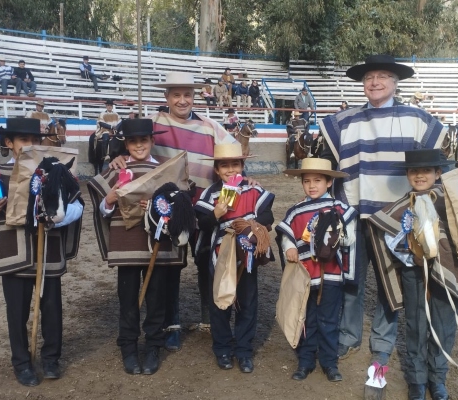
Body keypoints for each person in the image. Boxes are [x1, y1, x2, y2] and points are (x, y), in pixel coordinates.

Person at [315, 55, 445, 399]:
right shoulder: (344, 121)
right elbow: (326, 166)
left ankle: (383, 345)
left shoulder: (417, 119)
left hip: (397, 220)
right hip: (356, 215)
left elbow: (434, 163)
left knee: (392, 285)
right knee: (353, 281)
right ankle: (348, 336)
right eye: (370, 77)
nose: (375, 82)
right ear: (362, 83)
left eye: (383, 76)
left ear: (395, 82)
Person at [108, 71, 238, 352]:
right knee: (171, 268)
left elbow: (234, 156)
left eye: (187, 95)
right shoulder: (152, 124)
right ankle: (171, 326)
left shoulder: (211, 127)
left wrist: (243, 178)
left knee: (207, 261)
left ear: (195, 97)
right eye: (176, 95)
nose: (182, 100)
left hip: (204, 208)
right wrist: (117, 156)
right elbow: (126, 143)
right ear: (166, 97)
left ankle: (210, 320)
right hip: (166, 212)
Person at [367, 148, 458, 400]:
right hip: (415, 275)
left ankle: (437, 379)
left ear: (438, 172)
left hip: (447, 276)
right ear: (407, 175)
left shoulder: (452, 201)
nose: (420, 175)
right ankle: (417, 380)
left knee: (444, 326)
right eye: (414, 171)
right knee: (416, 326)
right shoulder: (402, 207)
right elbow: (393, 241)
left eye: (426, 170)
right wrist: (413, 254)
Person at [0, 117, 83, 387]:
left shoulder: (55, 170)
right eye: (23, 141)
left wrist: (57, 216)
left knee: (52, 308)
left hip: (48, 251)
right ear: (9, 143)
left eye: (34, 140)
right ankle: (21, 363)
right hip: (13, 251)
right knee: (17, 311)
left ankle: (51, 359)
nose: (30, 146)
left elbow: (78, 207)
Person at [89, 118, 184, 376]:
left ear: (153, 141)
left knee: (156, 300)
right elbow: (102, 210)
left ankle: (153, 346)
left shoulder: (167, 170)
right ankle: (129, 348)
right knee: (128, 300)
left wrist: (161, 210)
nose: (139, 145)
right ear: (126, 144)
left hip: (157, 246)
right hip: (127, 244)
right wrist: (108, 199)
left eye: (144, 140)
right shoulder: (117, 169)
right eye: (133, 141)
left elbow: (180, 207)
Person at [194, 142, 274, 373]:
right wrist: (216, 213)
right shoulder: (210, 193)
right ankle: (222, 348)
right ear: (217, 170)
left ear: (242, 166)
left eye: (235, 164)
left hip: (247, 252)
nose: (230, 170)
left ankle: (244, 350)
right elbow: (203, 223)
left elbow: (267, 214)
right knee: (220, 302)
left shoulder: (253, 190)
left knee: (247, 302)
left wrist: (253, 226)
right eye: (225, 166)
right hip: (220, 255)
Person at [276, 158, 356, 383]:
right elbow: (286, 235)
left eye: (318, 181)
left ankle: (329, 363)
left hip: (330, 275)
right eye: (307, 181)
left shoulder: (340, 209)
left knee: (329, 320)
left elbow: (350, 238)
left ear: (329, 182)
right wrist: (290, 248)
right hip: (305, 276)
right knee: (307, 319)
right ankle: (306, 360)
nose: (312, 185)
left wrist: (335, 236)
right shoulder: (295, 211)